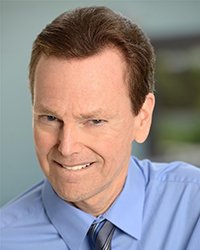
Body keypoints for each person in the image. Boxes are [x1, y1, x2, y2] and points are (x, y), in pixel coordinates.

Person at [0, 6, 200, 250]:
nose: (67, 147)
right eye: (50, 118)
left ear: (143, 118)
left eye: (94, 121)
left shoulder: (194, 208)